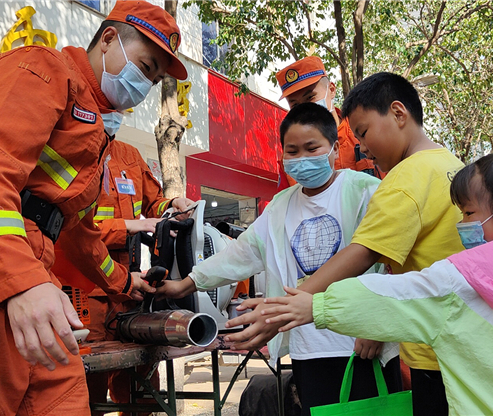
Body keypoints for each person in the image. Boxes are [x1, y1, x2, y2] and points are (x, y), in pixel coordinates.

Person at [0, 2, 186, 414]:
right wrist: (23, 283)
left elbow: (77, 232)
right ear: (108, 39)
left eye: (155, 78)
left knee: (63, 400)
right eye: (145, 67)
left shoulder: (91, 126)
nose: (144, 87)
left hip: (26, 275)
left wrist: (127, 283)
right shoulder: (41, 68)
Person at [262, 151, 493, 416]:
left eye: (467, 213)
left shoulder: (466, 278)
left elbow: (398, 296)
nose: (461, 225)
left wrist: (316, 305)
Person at [226, 72, 466, 415]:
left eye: (364, 133)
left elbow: (364, 253)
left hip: (434, 351)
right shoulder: (451, 165)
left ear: (399, 114)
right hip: (456, 339)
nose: (363, 147)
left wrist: (287, 307)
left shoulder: (402, 181)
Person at [153, 103, 400, 415]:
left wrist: (377, 325)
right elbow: (239, 254)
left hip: (362, 345)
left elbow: (394, 264)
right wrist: (185, 284)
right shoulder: (280, 207)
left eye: (312, 148)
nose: (301, 159)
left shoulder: (365, 191)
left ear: (335, 149)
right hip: (309, 348)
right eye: (292, 151)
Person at [80, 138, 193, 415]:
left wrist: (172, 204)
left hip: (129, 289)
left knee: (138, 383)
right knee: (86, 387)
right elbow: (74, 229)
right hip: (86, 289)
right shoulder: (75, 148)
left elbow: (153, 202)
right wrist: (128, 226)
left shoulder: (128, 155)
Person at [275, 56, 383, 192]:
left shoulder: (363, 136)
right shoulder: (290, 158)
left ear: (331, 90)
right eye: (295, 104)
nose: (305, 108)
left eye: (310, 97)